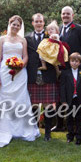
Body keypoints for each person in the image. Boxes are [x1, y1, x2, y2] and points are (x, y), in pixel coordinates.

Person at [0, 15, 40, 147]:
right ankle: (5, 128)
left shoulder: (23, 40)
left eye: (18, 25)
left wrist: (20, 65)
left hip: (20, 73)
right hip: (4, 72)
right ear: (9, 25)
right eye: (13, 24)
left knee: (20, 98)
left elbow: (25, 57)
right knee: (5, 97)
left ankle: (22, 128)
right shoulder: (2, 39)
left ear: (20, 27)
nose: (15, 27)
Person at [55, 6, 81, 132]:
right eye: (63, 13)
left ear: (72, 15)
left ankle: (79, 127)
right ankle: (60, 124)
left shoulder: (79, 29)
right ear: (61, 15)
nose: (65, 15)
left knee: (77, 98)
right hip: (62, 69)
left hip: (76, 68)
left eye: (68, 14)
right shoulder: (58, 29)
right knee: (62, 95)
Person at [26, 13, 59, 141]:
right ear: (33, 23)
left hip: (48, 73)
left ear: (43, 23)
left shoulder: (50, 36)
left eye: (41, 21)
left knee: (48, 105)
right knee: (33, 104)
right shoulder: (27, 38)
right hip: (33, 74)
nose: (39, 23)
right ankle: (34, 131)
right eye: (36, 21)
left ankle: (47, 133)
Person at [60, 52, 81, 145]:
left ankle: (79, 136)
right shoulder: (65, 73)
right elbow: (62, 87)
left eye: (76, 61)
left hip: (79, 99)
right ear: (69, 62)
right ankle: (70, 136)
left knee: (79, 118)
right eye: (72, 61)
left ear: (80, 63)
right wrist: (63, 100)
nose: (74, 63)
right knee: (69, 118)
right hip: (69, 99)